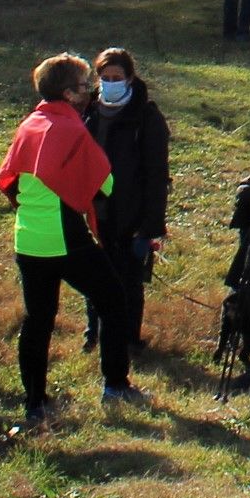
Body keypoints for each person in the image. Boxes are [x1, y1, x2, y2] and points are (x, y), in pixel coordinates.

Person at [0, 54, 120, 426]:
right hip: (62, 235)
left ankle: (35, 402)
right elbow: (103, 182)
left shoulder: (31, 123)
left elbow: (10, 178)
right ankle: (116, 384)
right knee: (113, 300)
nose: (90, 92)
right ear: (68, 93)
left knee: (39, 320)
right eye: (85, 86)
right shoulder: (69, 127)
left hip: (28, 237)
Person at [83, 47, 168, 410]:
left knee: (129, 279)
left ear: (130, 79)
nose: (111, 84)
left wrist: (150, 224)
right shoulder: (87, 110)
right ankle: (95, 331)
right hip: (93, 211)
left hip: (130, 214)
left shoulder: (146, 117)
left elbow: (156, 174)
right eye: (106, 78)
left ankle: (129, 337)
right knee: (94, 275)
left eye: (118, 78)